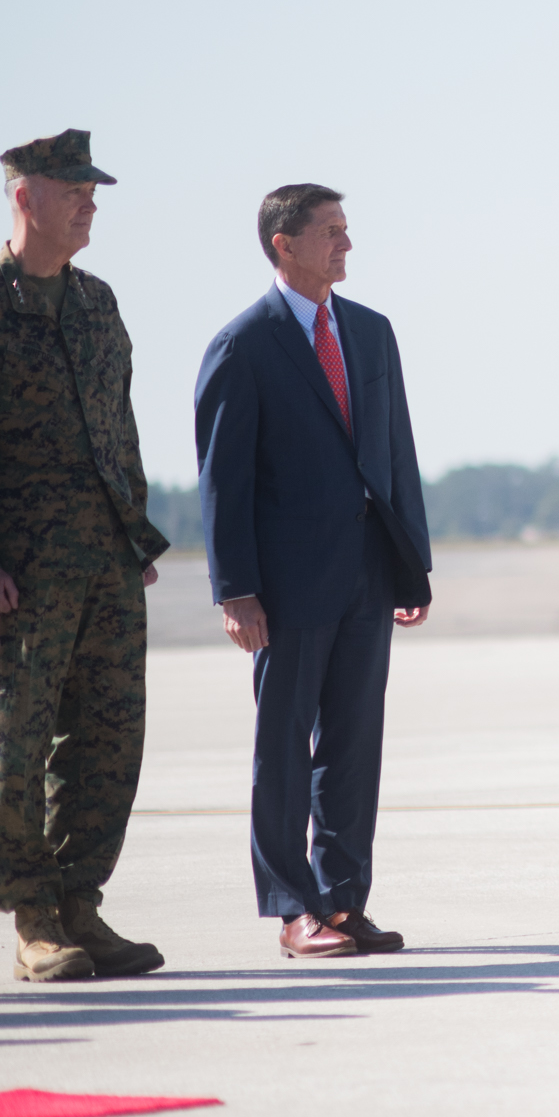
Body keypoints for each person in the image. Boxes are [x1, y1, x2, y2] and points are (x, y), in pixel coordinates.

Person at [194, 184, 433, 959]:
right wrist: (235, 588)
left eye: (346, 230)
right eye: (331, 232)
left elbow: (396, 455)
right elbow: (222, 481)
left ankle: (342, 899)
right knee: (284, 746)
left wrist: (410, 567)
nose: (346, 245)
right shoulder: (244, 345)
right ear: (282, 244)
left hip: (367, 573)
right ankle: (294, 907)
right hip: (288, 587)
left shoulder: (370, 332)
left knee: (355, 745)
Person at [0, 131, 170, 983]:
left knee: (107, 739)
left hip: (105, 559)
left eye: (93, 188)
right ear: (23, 195)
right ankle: (33, 918)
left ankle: (79, 905)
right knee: (15, 746)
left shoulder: (98, 303)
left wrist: (133, 531)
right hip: (22, 571)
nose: (89, 200)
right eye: (72, 187)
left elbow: (119, 426)